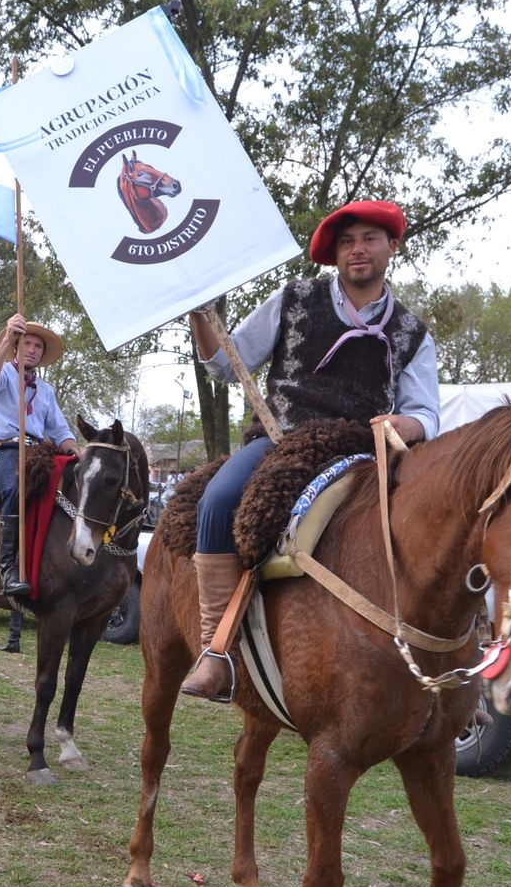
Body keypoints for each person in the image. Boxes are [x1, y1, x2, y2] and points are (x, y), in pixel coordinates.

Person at [180, 200, 439, 701]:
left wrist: (404, 422)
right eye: (346, 242)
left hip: (364, 452)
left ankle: (460, 669)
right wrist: (198, 311)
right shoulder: (293, 300)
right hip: (285, 443)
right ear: (335, 255)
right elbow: (223, 366)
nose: (357, 250)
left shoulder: (412, 333)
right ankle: (216, 652)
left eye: (368, 239)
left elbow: (426, 414)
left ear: (392, 246)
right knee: (217, 499)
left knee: (442, 517)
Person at [0, 313, 78, 600]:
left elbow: (61, 432)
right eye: (27, 343)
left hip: (38, 451)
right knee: (16, 486)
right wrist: (8, 337)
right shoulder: (3, 372)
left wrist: (76, 452)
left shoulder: (47, 391)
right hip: (6, 449)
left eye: (38, 346)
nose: (32, 349)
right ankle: (8, 568)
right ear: (16, 348)